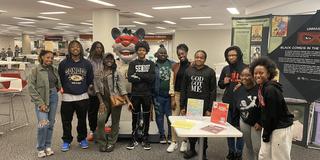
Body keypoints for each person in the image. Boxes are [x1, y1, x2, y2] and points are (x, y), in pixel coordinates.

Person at [249, 57, 293, 160]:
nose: (257, 75)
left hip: (279, 128)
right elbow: (263, 108)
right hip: (269, 126)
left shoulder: (270, 89)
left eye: (261, 73)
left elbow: (273, 114)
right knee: (264, 156)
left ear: (268, 74)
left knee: (279, 156)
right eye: (255, 73)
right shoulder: (262, 87)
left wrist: (266, 134)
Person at [180, 50, 216, 160]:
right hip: (191, 105)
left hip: (205, 106)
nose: (199, 59)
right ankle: (192, 149)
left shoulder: (210, 72)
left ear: (205, 59)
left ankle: (203, 152)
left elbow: (213, 91)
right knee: (191, 129)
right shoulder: (188, 71)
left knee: (204, 130)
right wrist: (183, 106)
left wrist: (210, 109)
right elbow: (183, 89)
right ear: (194, 58)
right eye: (197, 57)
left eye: (201, 57)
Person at [58, 40, 94, 152]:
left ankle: (82, 138)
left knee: (82, 120)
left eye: (77, 46)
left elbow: (89, 78)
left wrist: (83, 87)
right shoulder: (63, 63)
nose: (75, 48)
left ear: (80, 49)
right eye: (72, 47)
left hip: (82, 96)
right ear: (69, 49)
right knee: (66, 121)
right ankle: (66, 141)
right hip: (67, 97)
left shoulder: (87, 63)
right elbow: (60, 78)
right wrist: (65, 87)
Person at [95, 53, 133, 152]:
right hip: (104, 101)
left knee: (115, 122)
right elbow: (96, 90)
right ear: (103, 60)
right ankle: (102, 142)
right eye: (107, 58)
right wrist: (101, 103)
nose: (109, 60)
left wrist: (128, 101)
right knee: (100, 120)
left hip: (115, 100)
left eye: (111, 59)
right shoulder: (98, 73)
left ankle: (111, 142)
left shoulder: (117, 72)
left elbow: (122, 88)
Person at [28, 50, 61, 158]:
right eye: (47, 57)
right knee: (43, 124)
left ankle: (48, 146)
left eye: (51, 58)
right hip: (41, 99)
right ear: (42, 57)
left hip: (53, 97)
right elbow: (31, 88)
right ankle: (40, 148)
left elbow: (57, 83)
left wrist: (57, 89)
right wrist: (40, 103)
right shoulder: (35, 70)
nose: (50, 60)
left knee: (50, 123)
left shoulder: (54, 69)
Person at [126, 41, 155, 150]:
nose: (141, 51)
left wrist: (138, 75)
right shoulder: (132, 64)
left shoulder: (151, 64)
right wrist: (145, 76)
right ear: (137, 51)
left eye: (143, 50)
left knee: (147, 117)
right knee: (135, 117)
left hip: (147, 94)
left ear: (146, 51)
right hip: (135, 94)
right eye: (139, 50)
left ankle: (145, 138)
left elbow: (152, 79)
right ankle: (133, 138)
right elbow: (130, 78)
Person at [218, 46, 245, 160]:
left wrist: (243, 83)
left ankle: (239, 152)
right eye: (229, 55)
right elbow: (220, 84)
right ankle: (231, 151)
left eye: (234, 55)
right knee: (228, 128)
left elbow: (253, 84)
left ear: (238, 55)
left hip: (242, 103)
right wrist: (223, 82)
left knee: (239, 129)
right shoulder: (226, 69)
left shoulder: (246, 68)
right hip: (228, 102)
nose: (231, 57)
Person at [233, 67, 261, 160]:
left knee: (257, 148)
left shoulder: (260, 89)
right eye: (242, 75)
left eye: (248, 75)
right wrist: (235, 122)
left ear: (253, 76)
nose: (244, 77)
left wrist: (261, 122)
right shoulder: (238, 89)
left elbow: (266, 108)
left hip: (256, 123)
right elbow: (236, 105)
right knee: (248, 146)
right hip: (244, 120)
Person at [167, 44, 190, 153]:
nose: (181, 55)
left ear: (186, 52)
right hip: (177, 94)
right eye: (179, 54)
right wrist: (172, 98)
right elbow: (171, 82)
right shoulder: (175, 66)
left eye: (182, 53)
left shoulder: (192, 65)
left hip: (189, 96)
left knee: (186, 119)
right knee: (175, 119)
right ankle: (174, 142)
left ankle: (185, 141)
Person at [154, 44, 174, 144]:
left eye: (165, 53)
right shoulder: (153, 65)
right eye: (161, 53)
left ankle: (170, 135)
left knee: (170, 117)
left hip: (170, 96)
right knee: (159, 116)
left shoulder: (172, 64)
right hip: (158, 96)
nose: (163, 54)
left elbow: (182, 66)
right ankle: (162, 134)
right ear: (157, 54)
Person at [87, 41, 105, 141]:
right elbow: (85, 74)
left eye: (100, 47)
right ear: (93, 49)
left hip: (104, 90)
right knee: (92, 111)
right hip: (92, 90)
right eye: (97, 47)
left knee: (104, 110)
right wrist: (89, 84)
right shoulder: (88, 61)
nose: (99, 49)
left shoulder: (104, 60)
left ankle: (100, 127)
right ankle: (92, 130)